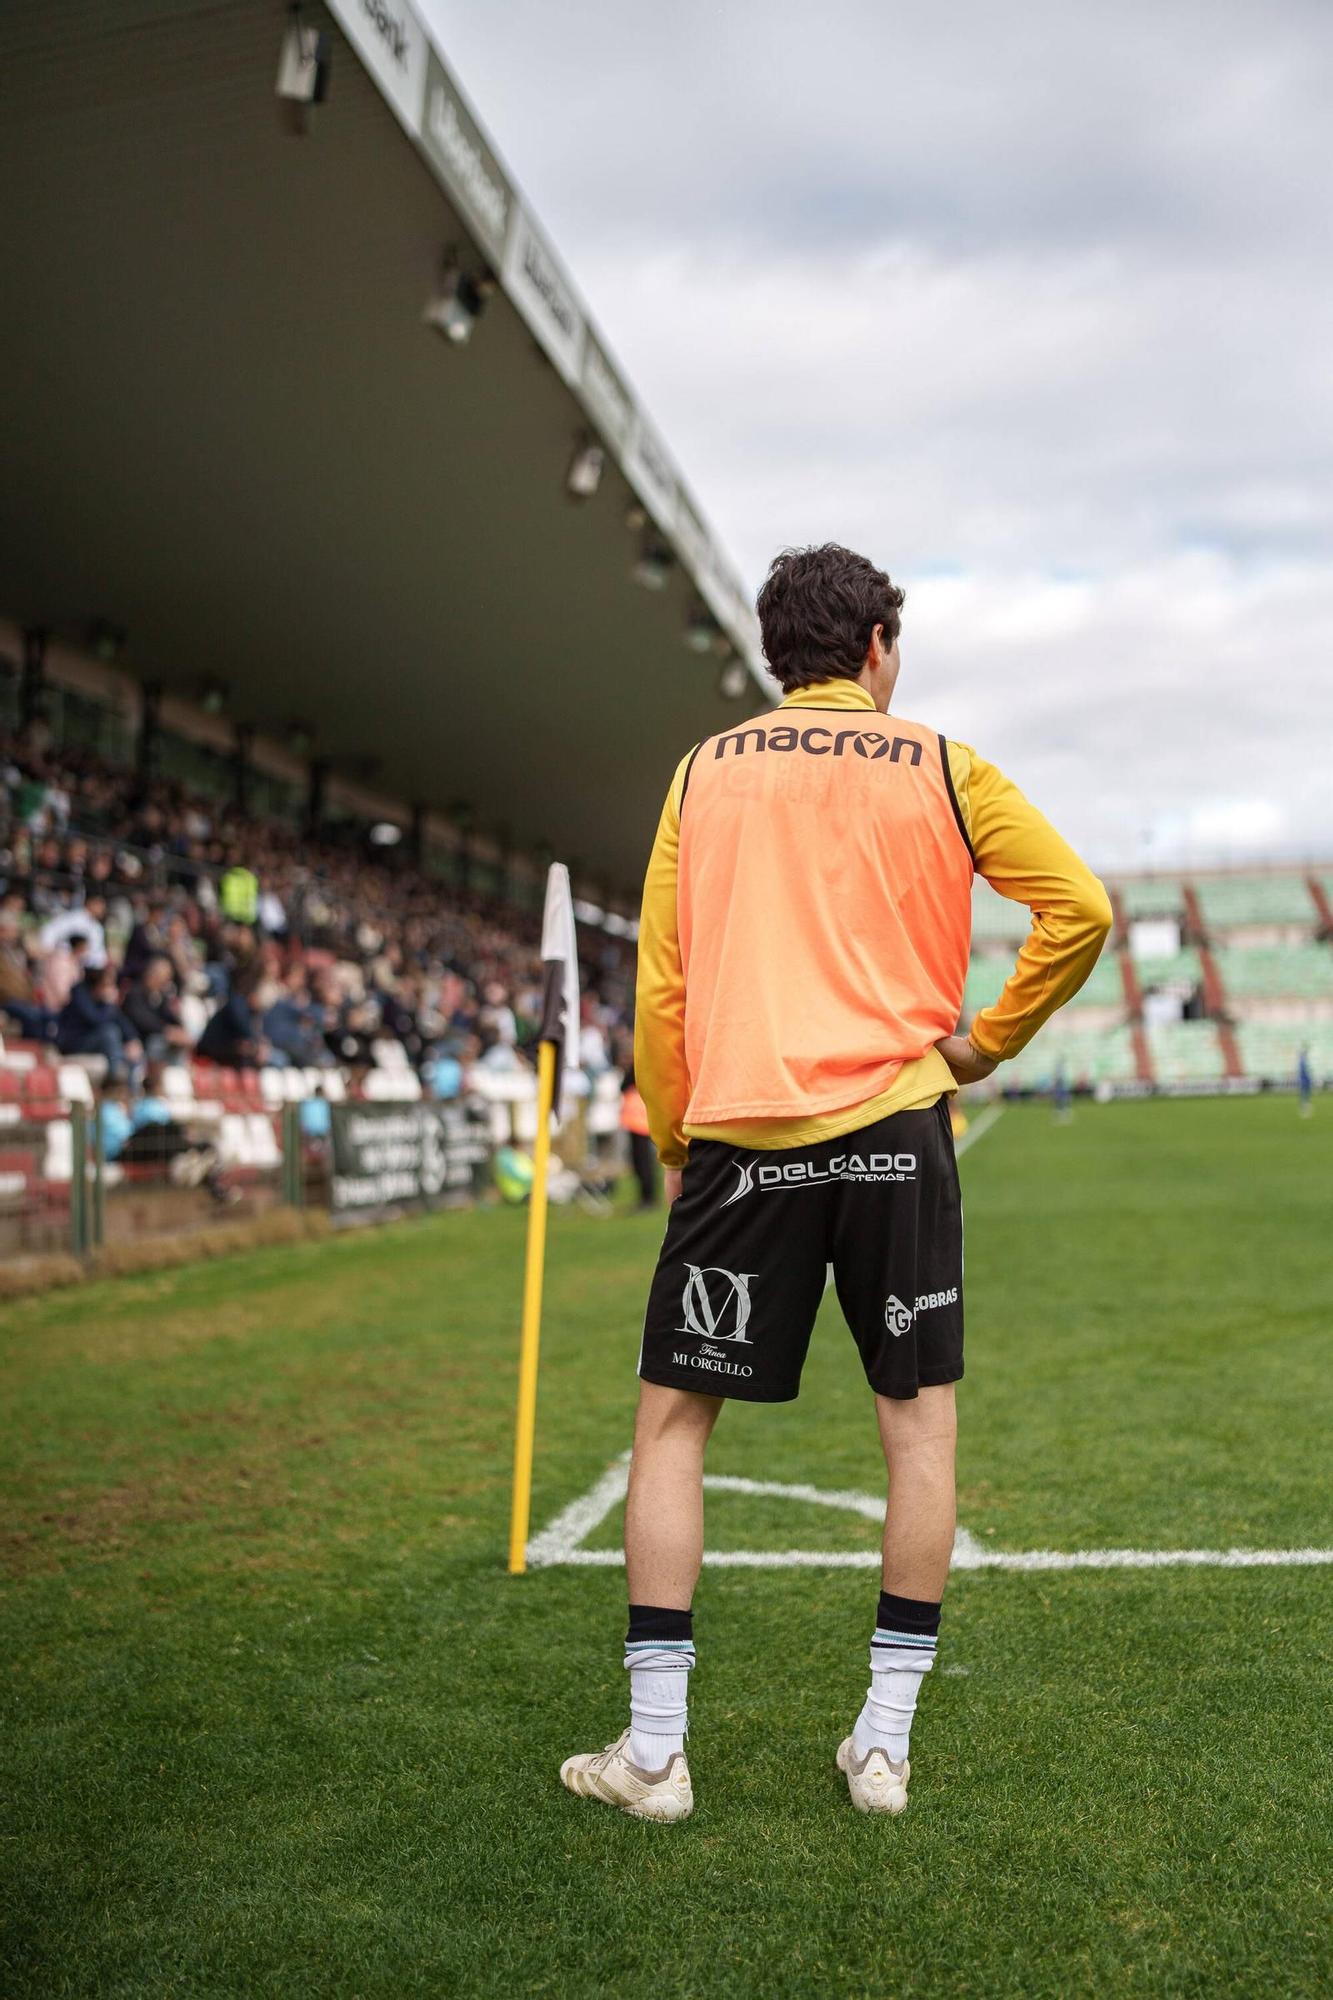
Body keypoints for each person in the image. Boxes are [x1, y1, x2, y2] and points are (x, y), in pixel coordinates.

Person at [560, 543, 1112, 1822]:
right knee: (915, 1430)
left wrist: (678, 1138)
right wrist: (982, 1041)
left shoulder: (702, 772)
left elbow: (664, 979)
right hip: (895, 1129)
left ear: (773, 659)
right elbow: (1074, 907)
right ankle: (882, 1745)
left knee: (670, 1431)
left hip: (741, 1137)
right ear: (875, 646)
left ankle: (653, 1754)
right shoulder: (940, 760)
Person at [1296, 1043, 1314, 1118]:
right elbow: (1304, 1072)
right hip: (1304, 1081)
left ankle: (1305, 1106)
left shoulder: (1303, 1062)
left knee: (1306, 1094)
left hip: (1305, 1080)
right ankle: (1304, 1108)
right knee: (1304, 1094)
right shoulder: (1302, 1062)